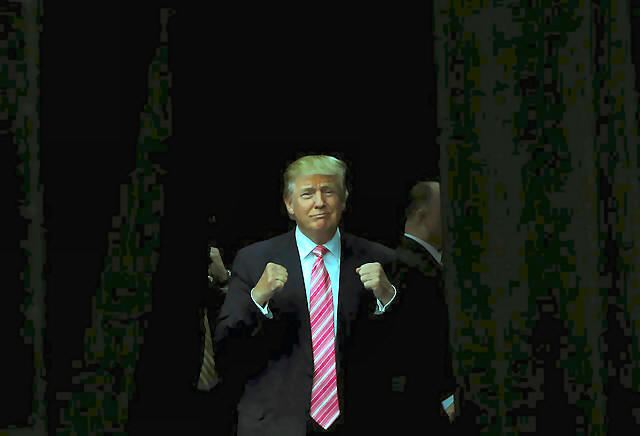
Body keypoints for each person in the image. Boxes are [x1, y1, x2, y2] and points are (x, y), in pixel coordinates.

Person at [211, 154, 405, 435]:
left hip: (361, 420)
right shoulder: (254, 260)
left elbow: (407, 348)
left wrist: (388, 297)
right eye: (307, 194)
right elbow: (227, 348)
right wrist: (258, 298)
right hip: (276, 423)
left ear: (344, 199)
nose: (319, 202)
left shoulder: (380, 259)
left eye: (328, 191)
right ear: (290, 205)